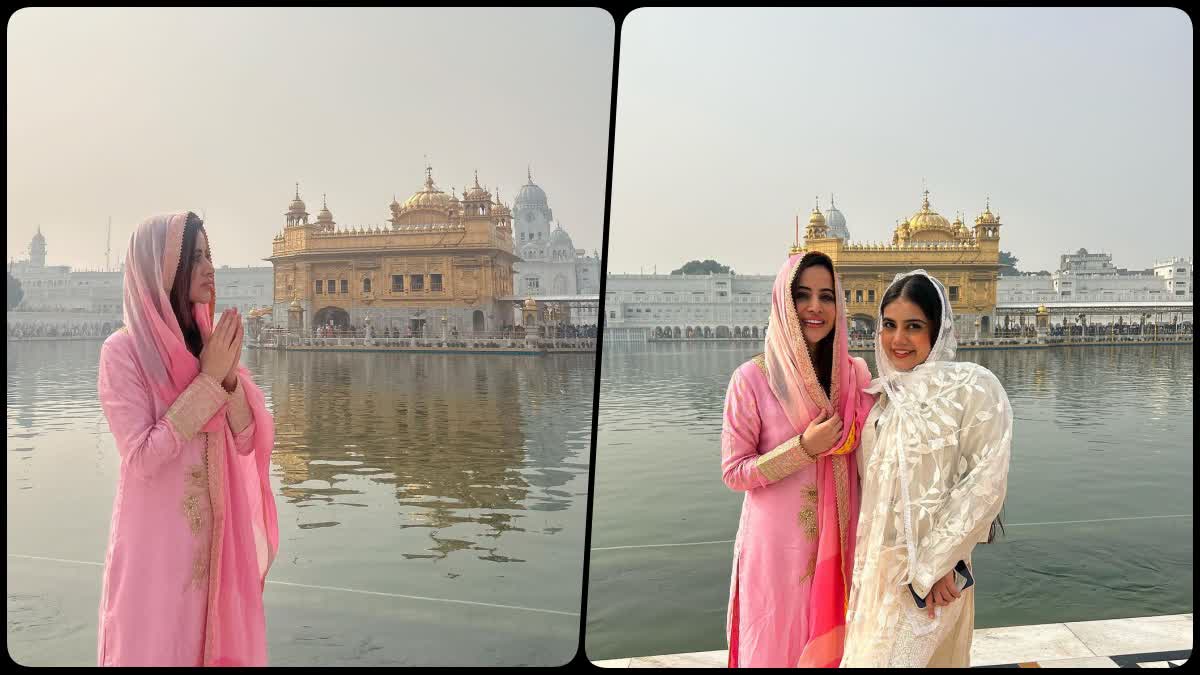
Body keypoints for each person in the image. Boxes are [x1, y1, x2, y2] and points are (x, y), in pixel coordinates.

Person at [96, 212, 278, 666]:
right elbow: (140, 457)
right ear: (163, 268)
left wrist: (228, 379)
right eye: (194, 257)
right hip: (156, 552)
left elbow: (246, 440)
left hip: (214, 550)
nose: (209, 268)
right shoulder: (124, 352)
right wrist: (210, 381)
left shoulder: (205, 345)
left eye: (209, 255)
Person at [840, 270, 1012, 667]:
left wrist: (937, 567)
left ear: (936, 331)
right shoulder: (882, 401)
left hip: (936, 580)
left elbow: (984, 483)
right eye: (889, 325)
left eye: (913, 327)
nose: (898, 339)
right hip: (881, 575)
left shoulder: (971, 388)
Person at [720, 250, 875, 667]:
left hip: (841, 541)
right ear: (784, 303)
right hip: (777, 550)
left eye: (827, 296)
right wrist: (804, 448)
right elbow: (734, 472)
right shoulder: (751, 379)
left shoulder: (854, 377)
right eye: (803, 295)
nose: (815, 307)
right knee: (776, 642)